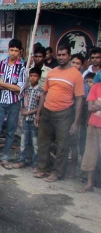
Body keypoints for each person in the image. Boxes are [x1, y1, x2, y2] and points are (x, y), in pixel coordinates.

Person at [34, 44, 84, 182]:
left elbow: (79, 99)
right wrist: (39, 113)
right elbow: (44, 93)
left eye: (64, 55)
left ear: (69, 56)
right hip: (47, 111)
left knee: (62, 145)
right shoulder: (52, 72)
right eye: (59, 54)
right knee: (43, 141)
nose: (61, 57)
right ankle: (43, 168)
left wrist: (76, 121)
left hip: (64, 114)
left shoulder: (76, 75)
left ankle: (57, 172)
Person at [0, 39, 26, 168]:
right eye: (12, 50)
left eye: (16, 51)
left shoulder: (21, 67)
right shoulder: (0, 64)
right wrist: (12, 87)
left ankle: (5, 158)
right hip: (0, 102)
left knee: (11, 132)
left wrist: (4, 84)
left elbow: (20, 89)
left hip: (14, 104)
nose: (13, 53)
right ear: (8, 50)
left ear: (19, 52)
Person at [12, 67, 43, 169]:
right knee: (23, 141)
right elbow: (21, 101)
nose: (33, 78)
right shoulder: (26, 90)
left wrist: (28, 112)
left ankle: (35, 163)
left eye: (35, 76)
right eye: (31, 76)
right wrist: (22, 110)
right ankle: (22, 160)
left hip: (34, 119)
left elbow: (40, 107)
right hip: (25, 119)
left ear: (39, 77)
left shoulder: (41, 91)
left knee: (35, 143)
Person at [78, 81, 101, 192]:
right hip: (93, 124)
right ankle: (89, 183)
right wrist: (96, 105)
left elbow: (95, 105)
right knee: (90, 154)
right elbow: (90, 108)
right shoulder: (96, 87)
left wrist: (98, 104)